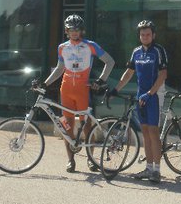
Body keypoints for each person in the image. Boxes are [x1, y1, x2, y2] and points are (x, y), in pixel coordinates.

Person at [40, 14, 115, 173]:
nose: (74, 32)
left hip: (83, 90)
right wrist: (45, 83)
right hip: (66, 90)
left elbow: (110, 61)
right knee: (67, 125)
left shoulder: (90, 46)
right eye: (71, 29)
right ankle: (70, 160)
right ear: (66, 31)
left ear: (82, 31)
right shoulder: (62, 47)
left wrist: (101, 80)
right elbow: (60, 69)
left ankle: (91, 159)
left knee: (87, 125)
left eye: (77, 29)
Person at [108, 20, 168, 184]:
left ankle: (156, 170)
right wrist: (116, 89)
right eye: (142, 34)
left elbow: (163, 75)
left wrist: (150, 93)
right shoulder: (136, 52)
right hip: (141, 95)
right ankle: (148, 167)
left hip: (155, 95)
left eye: (148, 34)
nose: (145, 37)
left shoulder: (158, 51)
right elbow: (128, 73)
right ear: (139, 36)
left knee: (154, 133)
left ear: (153, 35)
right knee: (145, 132)